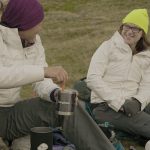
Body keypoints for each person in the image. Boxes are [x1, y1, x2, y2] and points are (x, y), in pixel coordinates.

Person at [0, 0, 68, 147]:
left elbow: (40, 80)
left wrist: (54, 93)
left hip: (11, 111)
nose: (40, 28)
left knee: (67, 107)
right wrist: (43, 72)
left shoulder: (34, 41)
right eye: (37, 23)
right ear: (22, 24)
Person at [86, 8, 150, 144]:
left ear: (142, 33)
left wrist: (138, 102)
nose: (130, 31)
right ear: (122, 27)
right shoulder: (108, 47)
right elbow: (92, 78)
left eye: (136, 28)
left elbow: (147, 84)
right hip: (106, 107)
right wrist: (120, 104)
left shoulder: (146, 55)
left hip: (133, 105)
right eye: (128, 26)